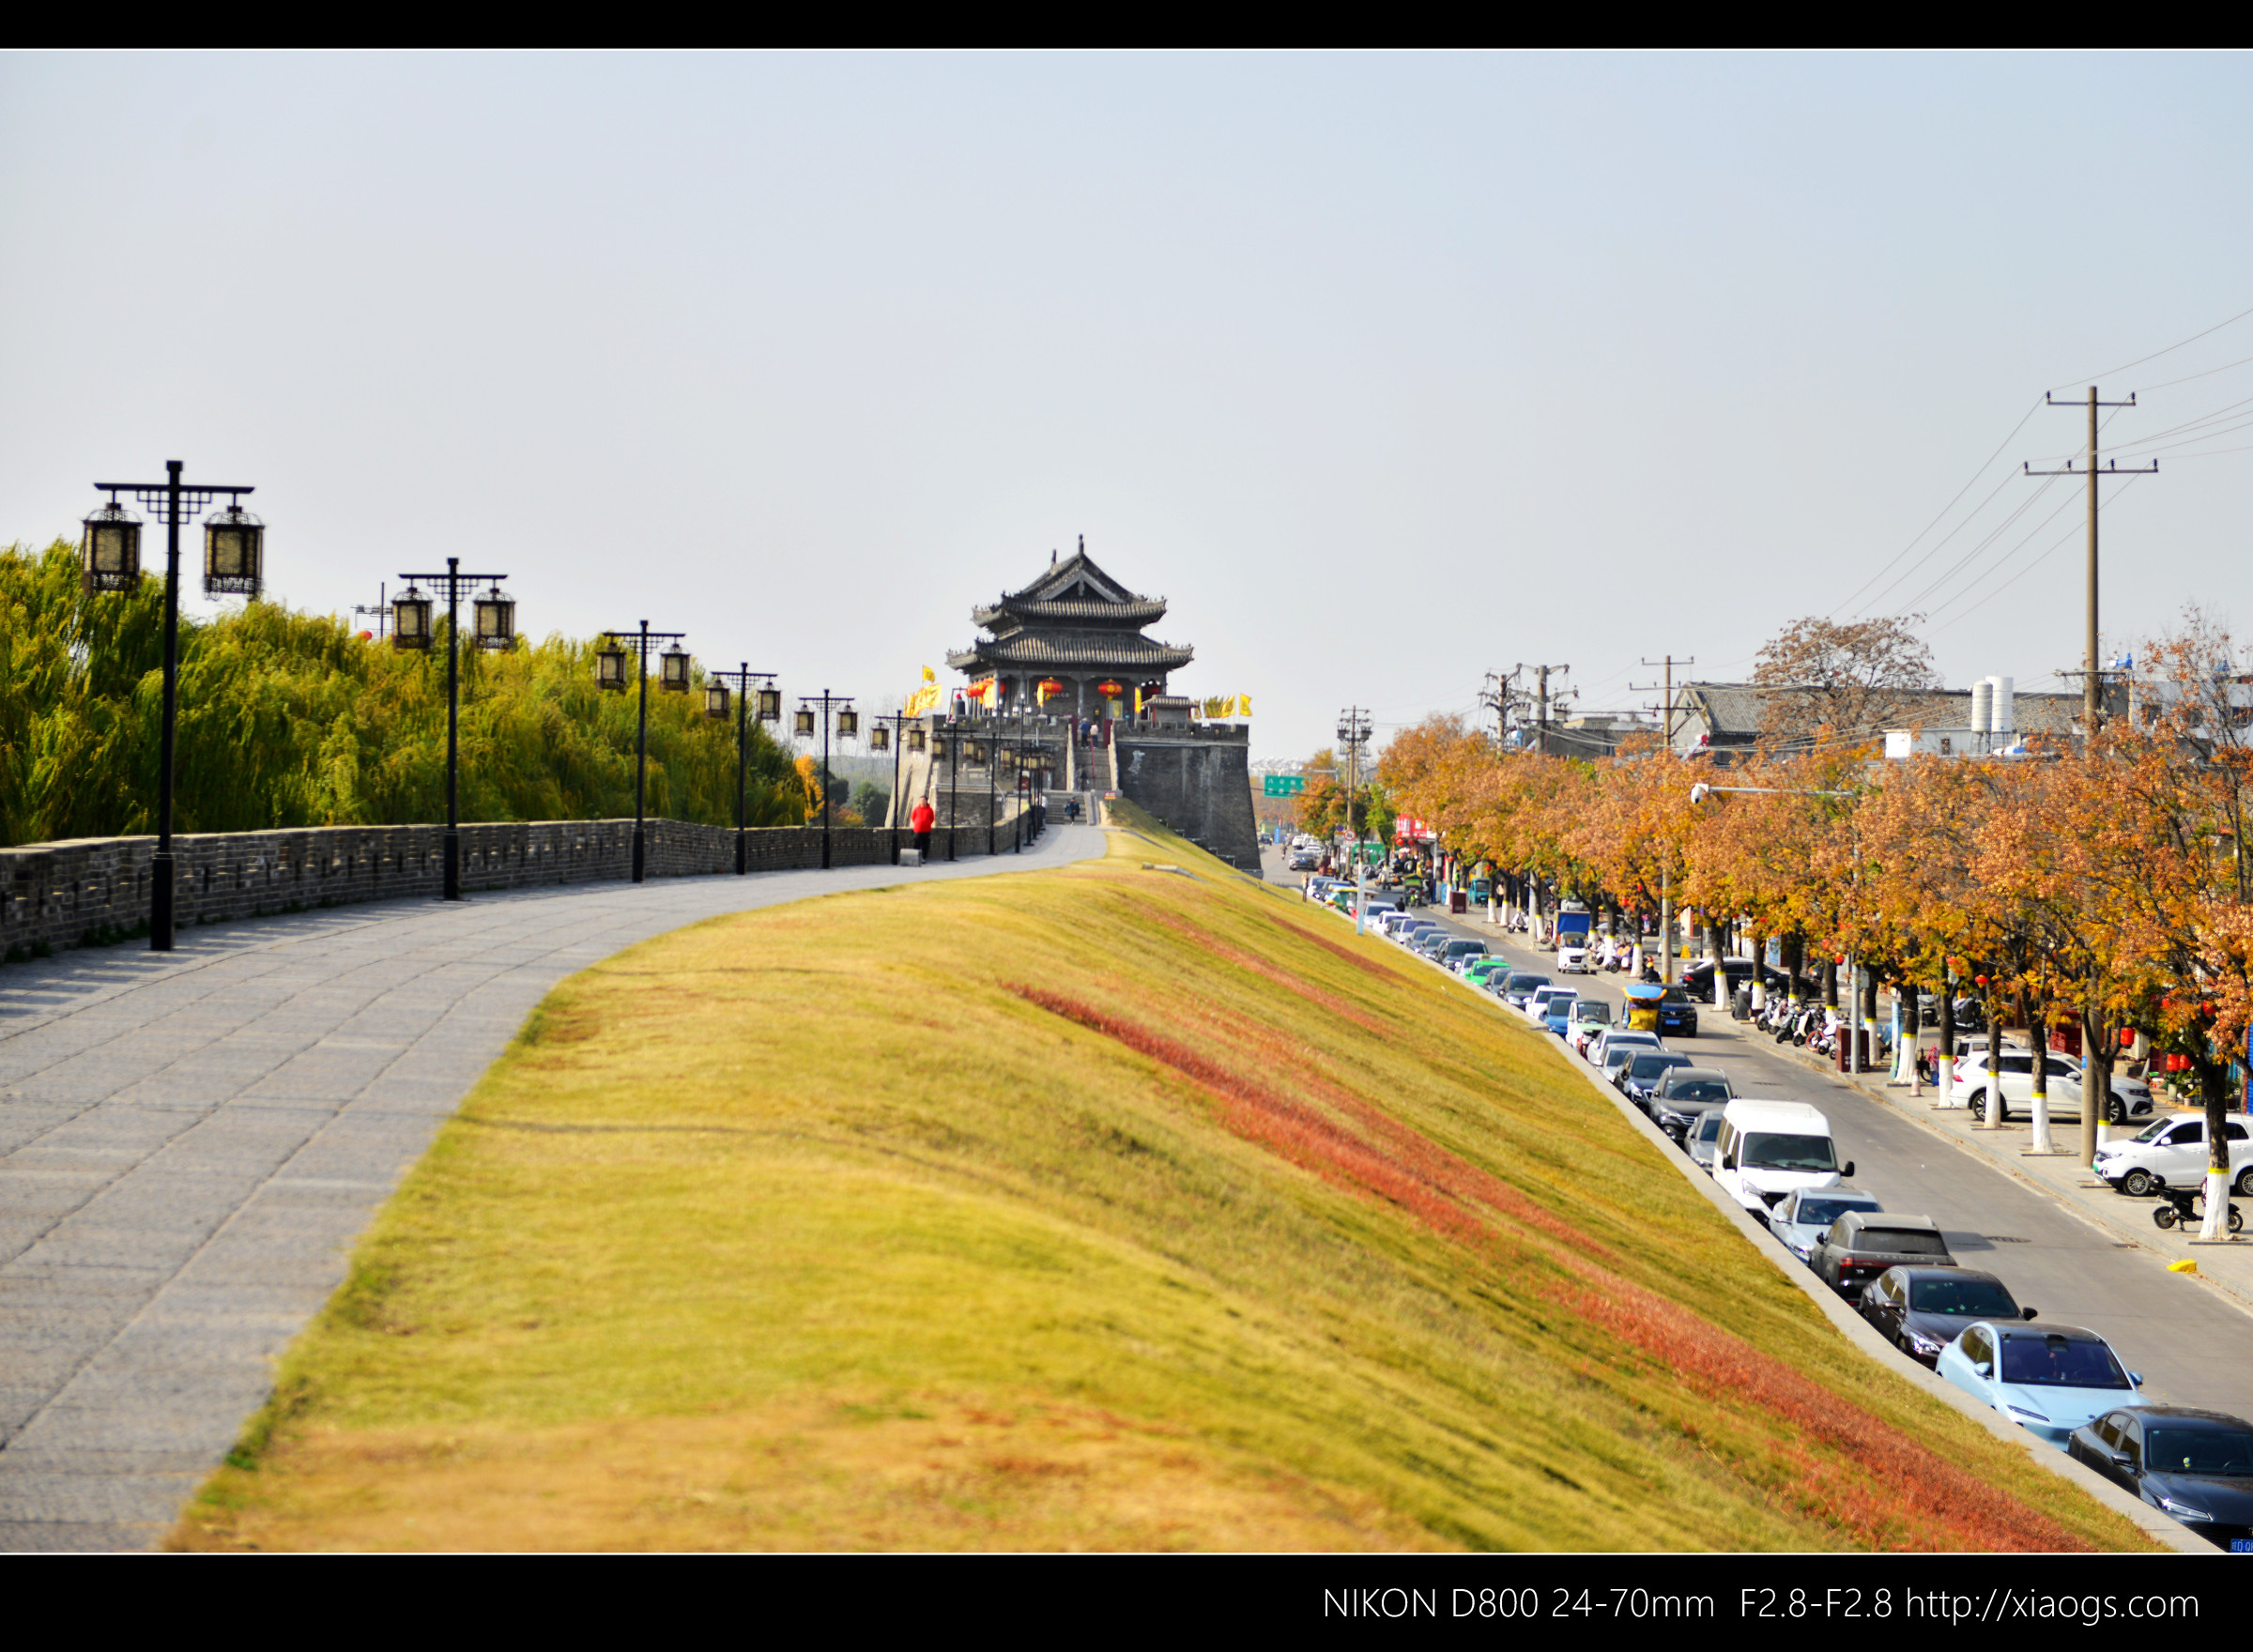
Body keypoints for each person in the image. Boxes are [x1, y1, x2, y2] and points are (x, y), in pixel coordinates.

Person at [910, 795, 936, 859]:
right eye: (920, 800)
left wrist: (927, 823)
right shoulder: (916, 809)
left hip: (926, 830)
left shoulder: (930, 810)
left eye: (923, 800)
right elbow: (913, 817)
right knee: (916, 844)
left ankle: (923, 858)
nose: (922, 801)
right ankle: (915, 858)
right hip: (917, 830)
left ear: (926, 801)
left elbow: (932, 818)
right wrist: (917, 823)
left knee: (925, 845)